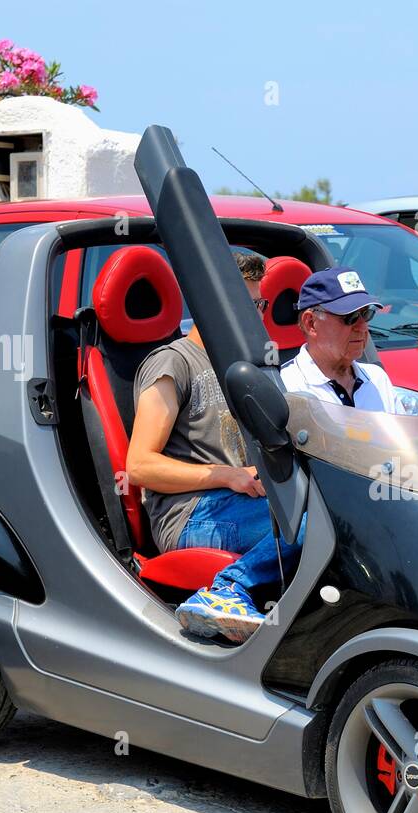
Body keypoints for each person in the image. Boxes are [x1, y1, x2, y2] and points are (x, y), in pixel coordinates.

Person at [127, 251, 294, 644]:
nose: (258, 315)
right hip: (190, 516)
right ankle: (229, 590)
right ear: (212, 302)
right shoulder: (173, 362)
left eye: (261, 304)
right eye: (248, 304)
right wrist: (228, 476)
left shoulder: (246, 366)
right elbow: (139, 466)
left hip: (244, 502)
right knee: (310, 523)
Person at [280, 267, 404, 413]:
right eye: (350, 317)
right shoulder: (286, 387)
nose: (363, 326)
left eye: (367, 313)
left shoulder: (378, 379)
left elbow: (405, 436)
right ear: (311, 323)